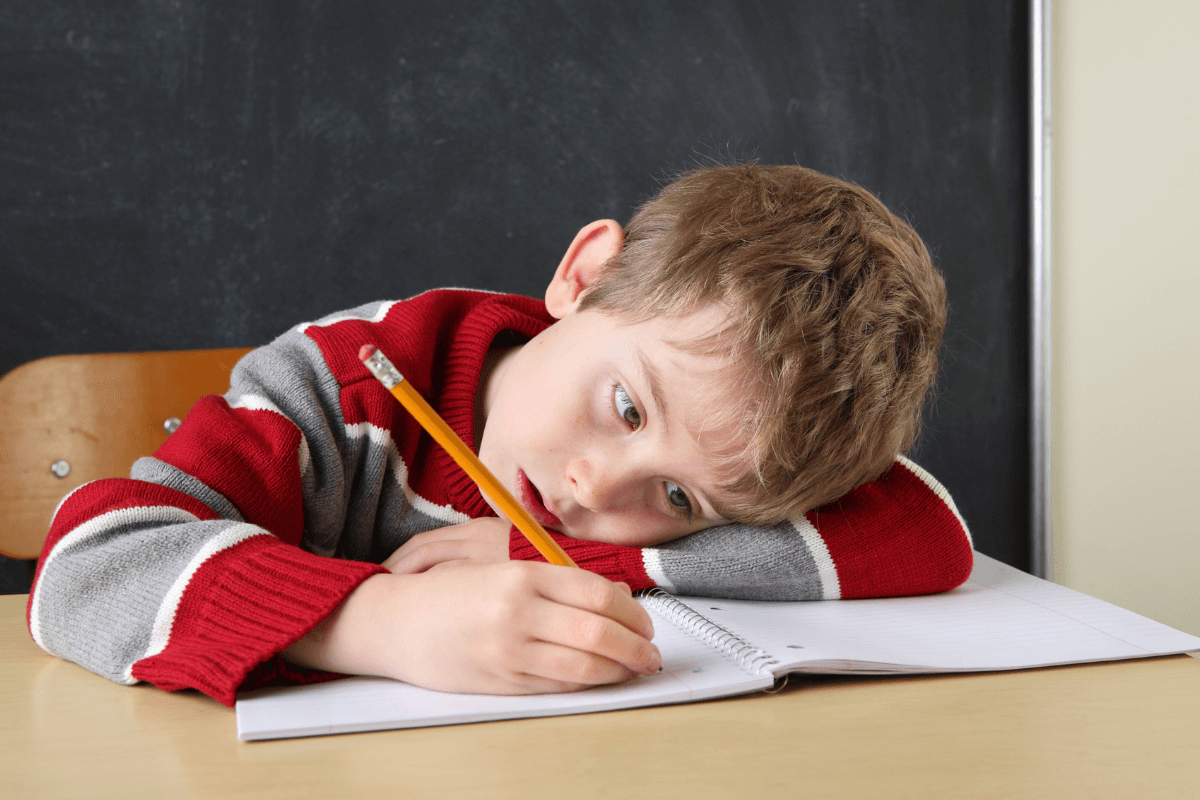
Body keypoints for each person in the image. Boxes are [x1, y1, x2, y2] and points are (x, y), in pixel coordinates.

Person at [27, 163, 972, 706]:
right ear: (586, 277)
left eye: (678, 499)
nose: (600, 492)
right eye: (629, 408)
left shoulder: (610, 513)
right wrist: (379, 623)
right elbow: (85, 562)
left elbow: (927, 533)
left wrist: (581, 558)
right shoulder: (347, 387)